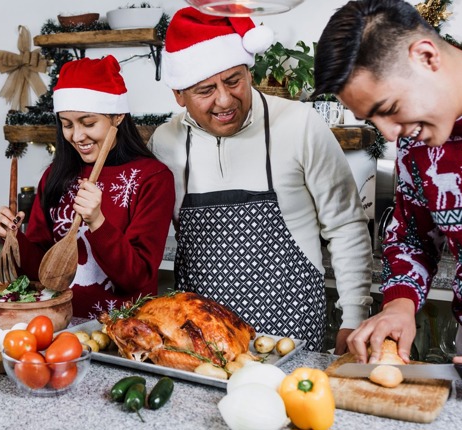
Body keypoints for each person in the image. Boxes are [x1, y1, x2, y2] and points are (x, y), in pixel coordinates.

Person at [149, 7, 372, 352]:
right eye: (205, 90)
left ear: (249, 73)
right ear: (179, 94)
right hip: (201, 339)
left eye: (234, 80)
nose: (224, 100)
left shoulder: (300, 125)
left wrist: (354, 317)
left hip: (291, 335)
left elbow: (346, 225)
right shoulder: (165, 142)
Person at [314, 0, 462, 383]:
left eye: (390, 108)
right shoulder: (416, 140)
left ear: (426, 56)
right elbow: (413, 235)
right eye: (371, 119)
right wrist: (400, 306)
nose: (387, 134)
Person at [0, 56, 175, 319]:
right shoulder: (56, 175)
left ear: (118, 116)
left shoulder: (153, 178)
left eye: (88, 123)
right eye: (67, 124)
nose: (77, 136)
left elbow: (137, 278)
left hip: (120, 334)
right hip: (57, 326)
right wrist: (12, 237)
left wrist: (97, 221)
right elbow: (39, 272)